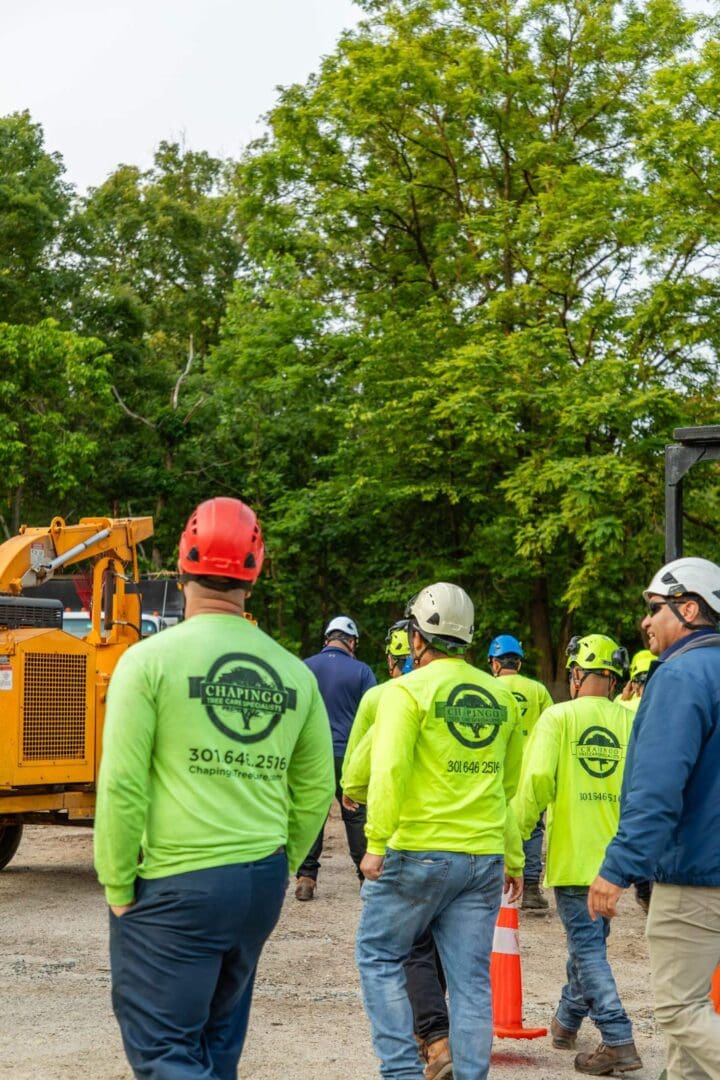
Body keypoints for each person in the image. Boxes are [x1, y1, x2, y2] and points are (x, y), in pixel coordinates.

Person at [93, 497, 335, 1080]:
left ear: (181, 565)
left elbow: (123, 784)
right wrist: (282, 863)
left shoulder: (146, 663)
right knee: (215, 1047)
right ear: (254, 570)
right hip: (257, 885)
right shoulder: (293, 674)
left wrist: (117, 880)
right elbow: (314, 788)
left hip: (178, 883)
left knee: (165, 1051)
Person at [355, 582, 524, 1080]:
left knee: (379, 954)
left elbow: (388, 771)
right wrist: (512, 855)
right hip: (483, 856)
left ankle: (403, 1072)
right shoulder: (500, 697)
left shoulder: (405, 691)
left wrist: (375, 842)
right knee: (472, 982)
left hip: (418, 851)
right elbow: (505, 786)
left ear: (416, 637)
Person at [589, 557, 720, 1080]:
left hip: (694, 876)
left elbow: (658, 787)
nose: (646, 621)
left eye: (654, 608)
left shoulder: (681, 675)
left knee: (679, 1010)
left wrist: (619, 866)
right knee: (686, 1039)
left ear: (688, 609)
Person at [512, 633, 642, 1076]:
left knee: (588, 951)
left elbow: (535, 784)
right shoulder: (629, 721)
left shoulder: (559, 717)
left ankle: (618, 1037)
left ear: (578, 674)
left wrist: (515, 841)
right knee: (588, 944)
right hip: (616, 859)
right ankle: (567, 1022)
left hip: (574, 858)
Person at [342, 621, 452, 1080]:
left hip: (406, 840)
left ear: (394, 658)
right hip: (463, 841)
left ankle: (432, 1038)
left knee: (406, 945)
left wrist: (353, 794)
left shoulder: (384, 696)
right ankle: (436, 1037)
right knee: (444, 944)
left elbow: (360, 768)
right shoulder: (454, 692)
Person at [295, 614, 377, 900]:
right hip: (349, 755)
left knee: (313, 814)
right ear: (352, 641)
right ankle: (364, 877)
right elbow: (373, 720)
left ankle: (306, 877)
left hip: (312, 756)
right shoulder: (362, 672)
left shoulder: (305, 668)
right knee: (355, 815)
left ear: (327, 639)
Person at [488, 633, 554, 910]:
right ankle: (529, 890)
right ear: (519, 663)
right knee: (532, 829)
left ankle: (493, 887)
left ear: (494, 663)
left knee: (493, 826)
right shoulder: (537, 690)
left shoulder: (487, 688)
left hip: (497, 770)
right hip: (531, 769)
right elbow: (550, 724)